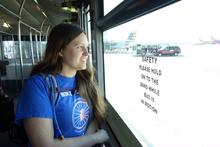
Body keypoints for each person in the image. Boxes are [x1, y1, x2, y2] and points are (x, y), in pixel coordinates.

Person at [15, 23, 109, 147]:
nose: (87, 53)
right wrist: (94, 138)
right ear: (60, 51)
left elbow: (96, 116)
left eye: (87, 47)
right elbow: (44, 144)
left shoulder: (86, 80)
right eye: (79, 47)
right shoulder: (38, 86)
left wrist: (85, 141)